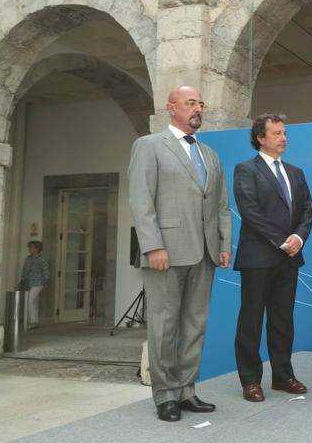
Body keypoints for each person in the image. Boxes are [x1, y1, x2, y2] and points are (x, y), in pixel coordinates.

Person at [128, 85, 231, 422]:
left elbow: (221, 207)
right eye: (190, 103)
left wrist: (223, 245)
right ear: (171, 108)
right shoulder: (149, 146)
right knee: (164, 325)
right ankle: (165, 395)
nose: (197, 108)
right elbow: (141, 200)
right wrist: (153, 245)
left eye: (200, 103)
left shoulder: (211, 156)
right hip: (166, 252)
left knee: (194, 324)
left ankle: (187, 390)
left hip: (204, 254)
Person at [233, 114, 312, 402]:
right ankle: (251, 380)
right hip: (257, 258)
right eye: (277, 133)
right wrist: (282, 240)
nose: (283, 138)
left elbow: (307, 211)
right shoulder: (246, 170)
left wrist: (298, 238)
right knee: (251, 320)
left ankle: (283, 375)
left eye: (285, 133)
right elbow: (250, 211)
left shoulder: (296, 172)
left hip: (289, 258)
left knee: (282, 320)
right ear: (260, 138)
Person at [19, 240, 49, 329]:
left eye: (31, 247)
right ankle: (35, 321)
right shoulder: (28, 258)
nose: (29, 249)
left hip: (38, 283)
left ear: (37, 249)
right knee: (33, 302)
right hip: (29, 283)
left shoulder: (42, 260)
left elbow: (45, 271)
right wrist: (22, 280)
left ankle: (32, 321)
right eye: (29, 247)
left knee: (29, 301)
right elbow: (24, 270)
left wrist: (46, 282)